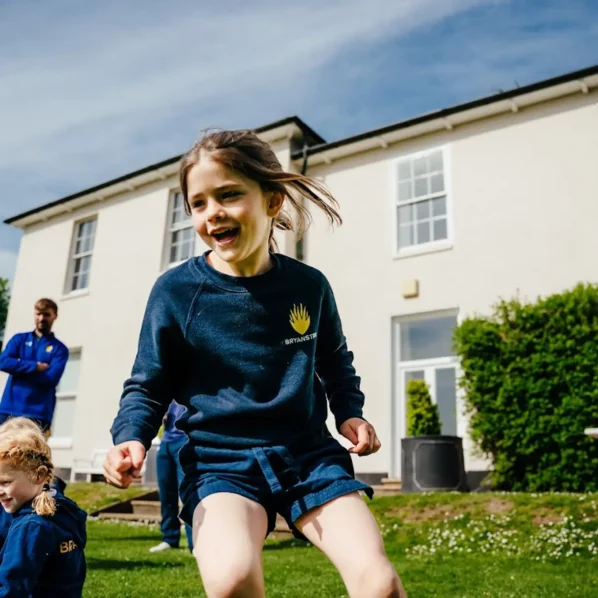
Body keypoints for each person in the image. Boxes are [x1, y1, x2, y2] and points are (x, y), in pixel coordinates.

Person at [104, 129, 406, 598]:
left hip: (308, 455)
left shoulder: (309, 286)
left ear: (271, 201)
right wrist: (130, 438)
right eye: (198, 203)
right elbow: (148, 383)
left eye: (228, 195)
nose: (212, 213)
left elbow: (333, 359)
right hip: (218, 462)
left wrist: (350, 410)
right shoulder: (176, 291)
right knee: (232, 581)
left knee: (380, 583)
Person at [0, 417, 87, 597]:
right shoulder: (66, 511)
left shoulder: (30, 527)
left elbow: (11, 588)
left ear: (38, 475)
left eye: (5, 482)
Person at [0, 298, 69, 434]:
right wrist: (35, 366)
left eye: (46, 314)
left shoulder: (59, 349)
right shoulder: (19, 340)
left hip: (39, 413)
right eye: (39, 314)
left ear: (55, 316)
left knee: (33, 454)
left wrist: (17, 369)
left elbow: (51, 378)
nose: (42, 318)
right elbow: (3, 362)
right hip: (10, 409)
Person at [150, 400, 193, 553]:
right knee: (166, 493)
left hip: (185, 441)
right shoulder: (168, 383)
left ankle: (195, 544)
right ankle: (169, 538)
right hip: (166, 442)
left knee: (187, 494)